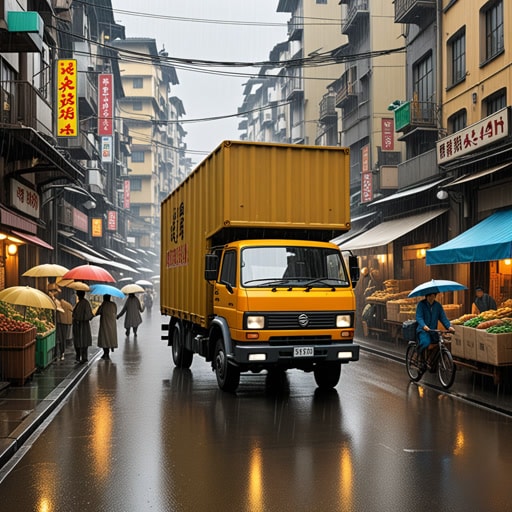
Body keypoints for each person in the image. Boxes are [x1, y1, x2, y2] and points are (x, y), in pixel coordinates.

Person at [416, 293, 455, 360]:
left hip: (433, 331)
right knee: (425, 343)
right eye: (430, 296)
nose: (431, 298)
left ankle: (432, 360)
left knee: (440, 343)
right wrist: (424, 326)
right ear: (426, 296)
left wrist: (449, 326)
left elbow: (443, 318)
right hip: (423, 330)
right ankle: (419, 356)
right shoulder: (421, 304)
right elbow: (419, 317)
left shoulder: (438, 306)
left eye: (433, 296)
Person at [48, 283, 73, 361]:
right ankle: (59, 353)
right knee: (60, 337)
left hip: (62, 321)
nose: (55, 293)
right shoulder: (53, 299)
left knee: (61, 337)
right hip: (59, 321)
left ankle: (61, 352)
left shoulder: (59, 300)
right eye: (54, 291)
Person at [72, 290, 94, 363]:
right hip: (82, 326)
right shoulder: (84, 303)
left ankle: (82, 357)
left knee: (81, 342)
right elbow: (90, 315)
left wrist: (80, 318)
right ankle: (82, 357)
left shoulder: (83, 303)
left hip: (82, 326)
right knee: (82, 342)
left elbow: (88, 315)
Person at [95, 294, 118, 360]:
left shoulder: (103, 305)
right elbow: (115, 312)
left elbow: (97, 312)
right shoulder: (113, 304)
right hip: (112, 324)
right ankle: (107, 353)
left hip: (104, 324)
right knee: (110, 337)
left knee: (104, 338)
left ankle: (106, 353)